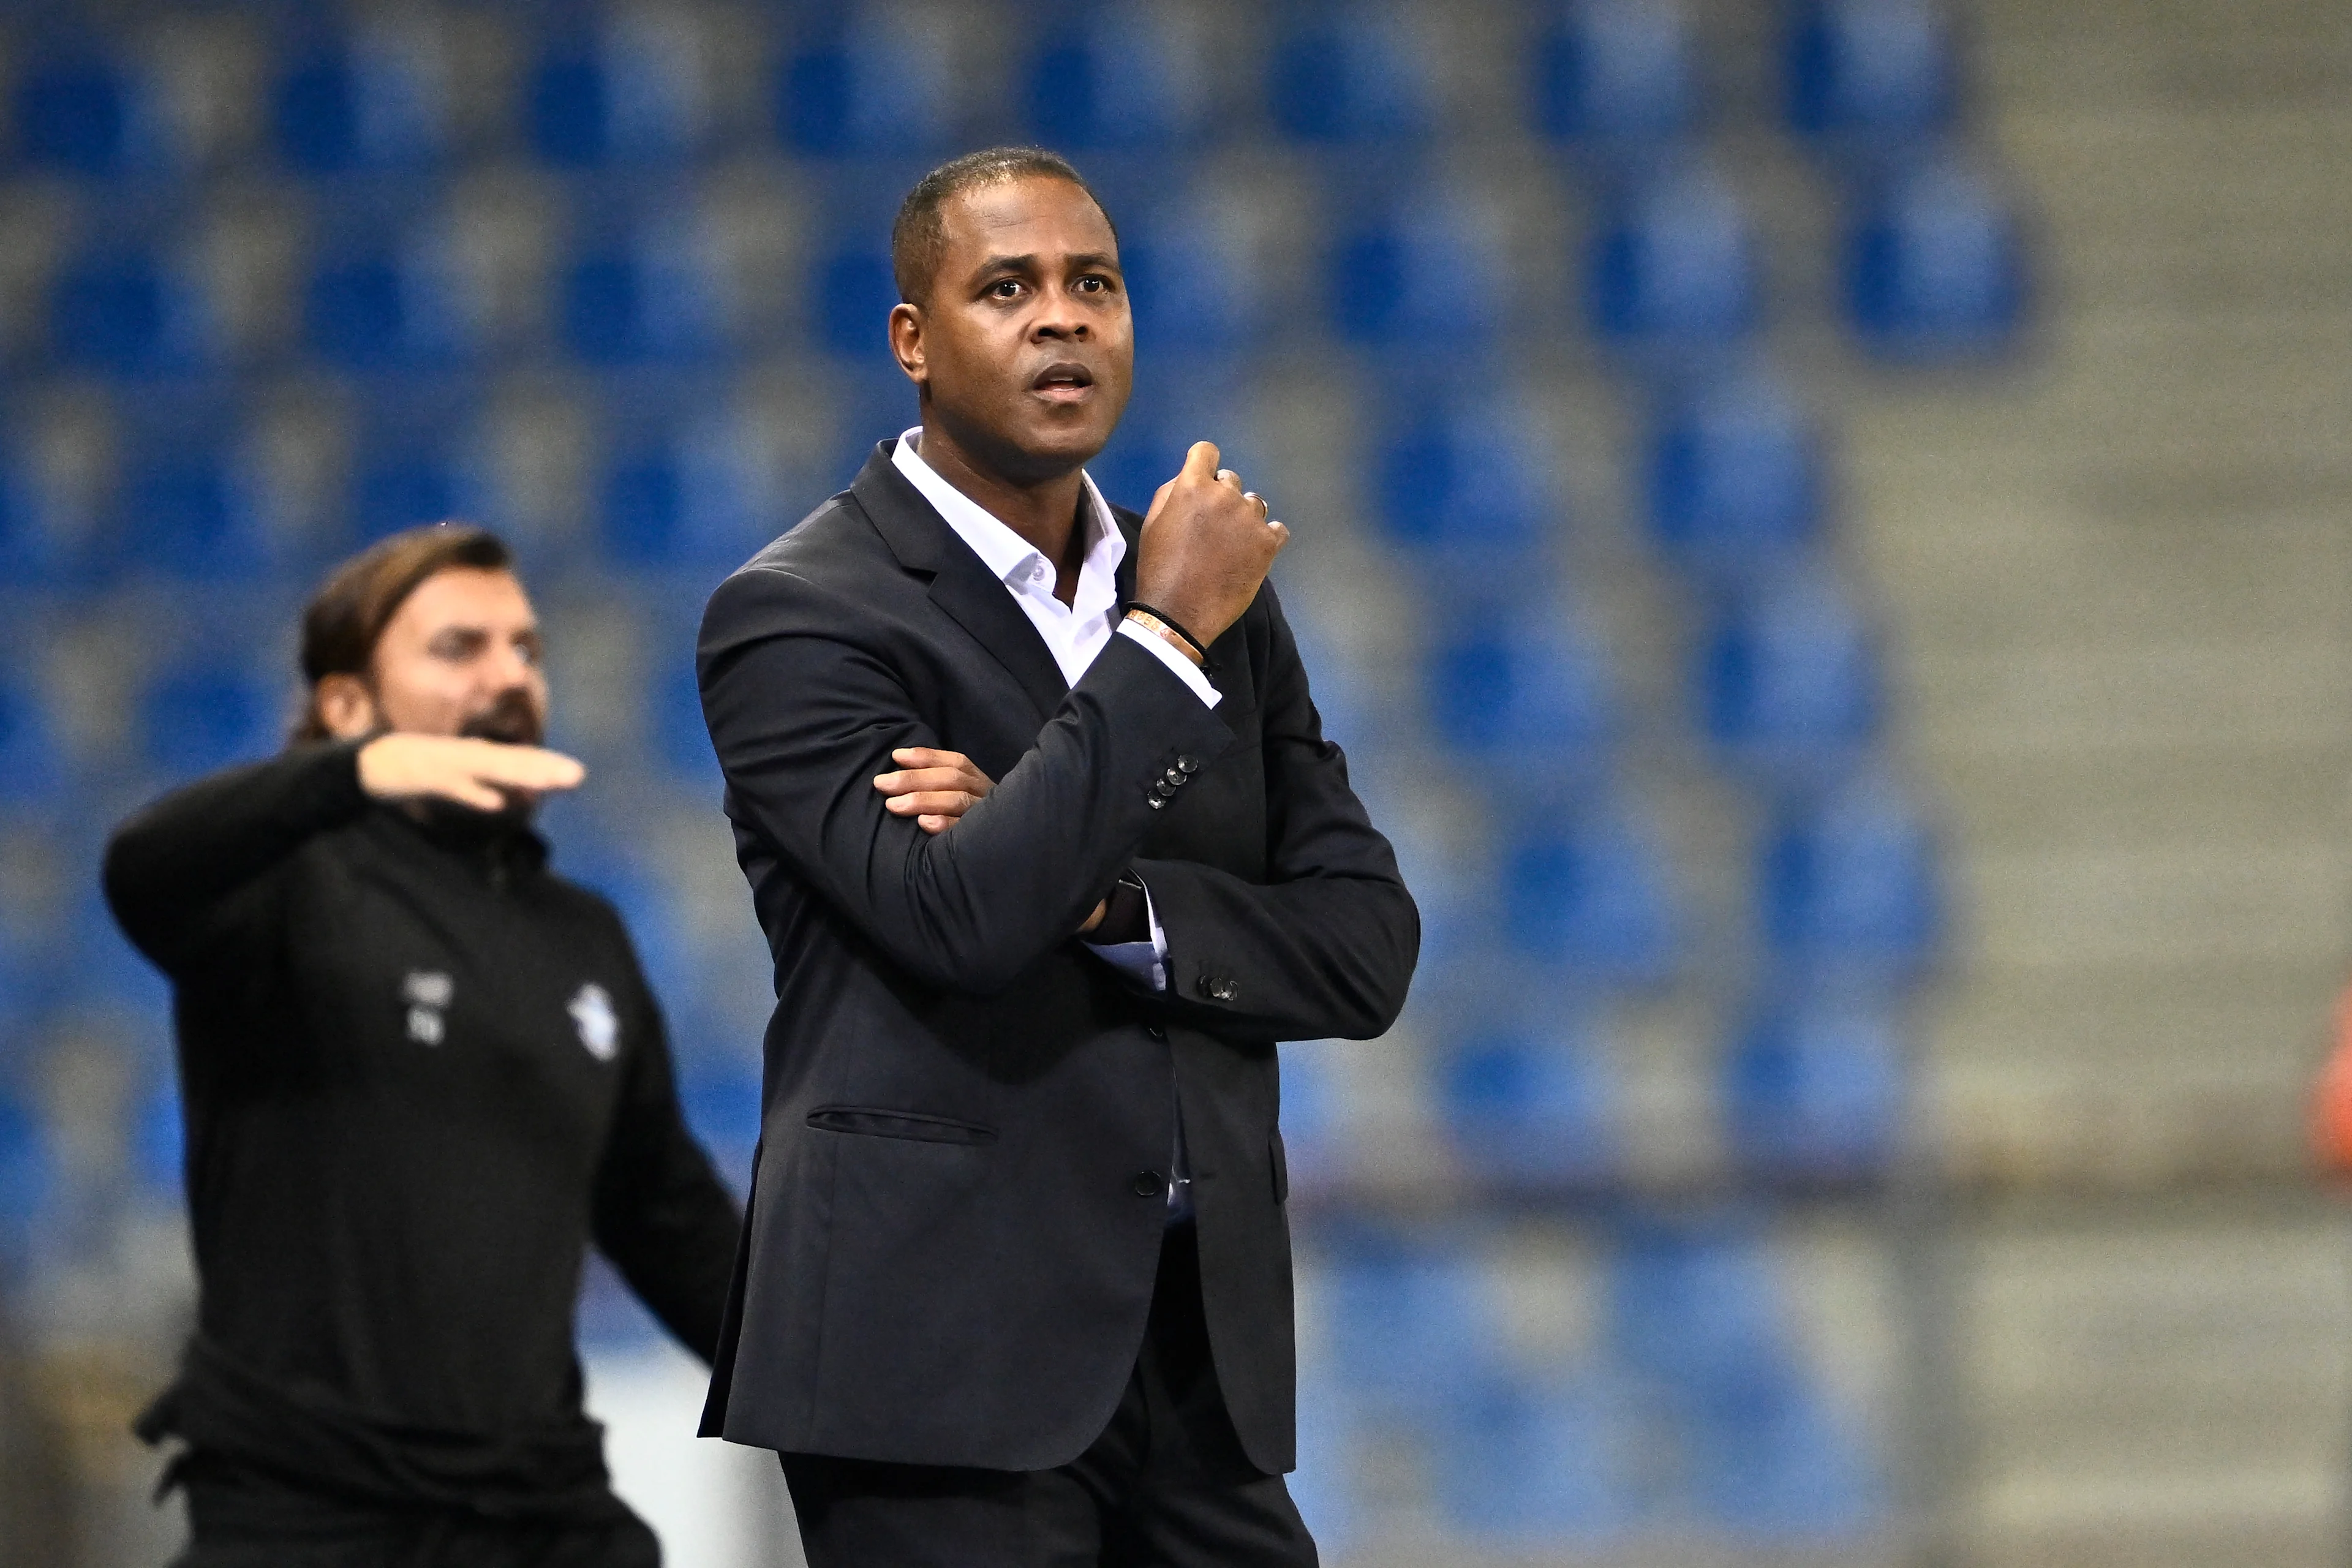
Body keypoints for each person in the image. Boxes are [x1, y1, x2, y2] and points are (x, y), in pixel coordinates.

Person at [695, 146, 1419, 1566]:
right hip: (934, 1363)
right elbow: (959, 916)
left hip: (1197, 1352)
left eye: (1095, 283)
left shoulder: (1215, 598)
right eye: (1007, 286)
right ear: (915, 338)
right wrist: (1158, 643)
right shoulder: (797, 617)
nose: (1063, 317)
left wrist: (1096, 895)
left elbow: (1363, 944)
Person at [103, 524, 744, 1568]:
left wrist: (860, 1415)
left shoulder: (585, 937)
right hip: (310, 1511)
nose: (510, 675)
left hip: (538, 1507)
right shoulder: (285, 890)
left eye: (526, 650)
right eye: (460, 648)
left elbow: (670, 1222)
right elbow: (144, 866)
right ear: (349, 704)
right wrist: (360, 773)